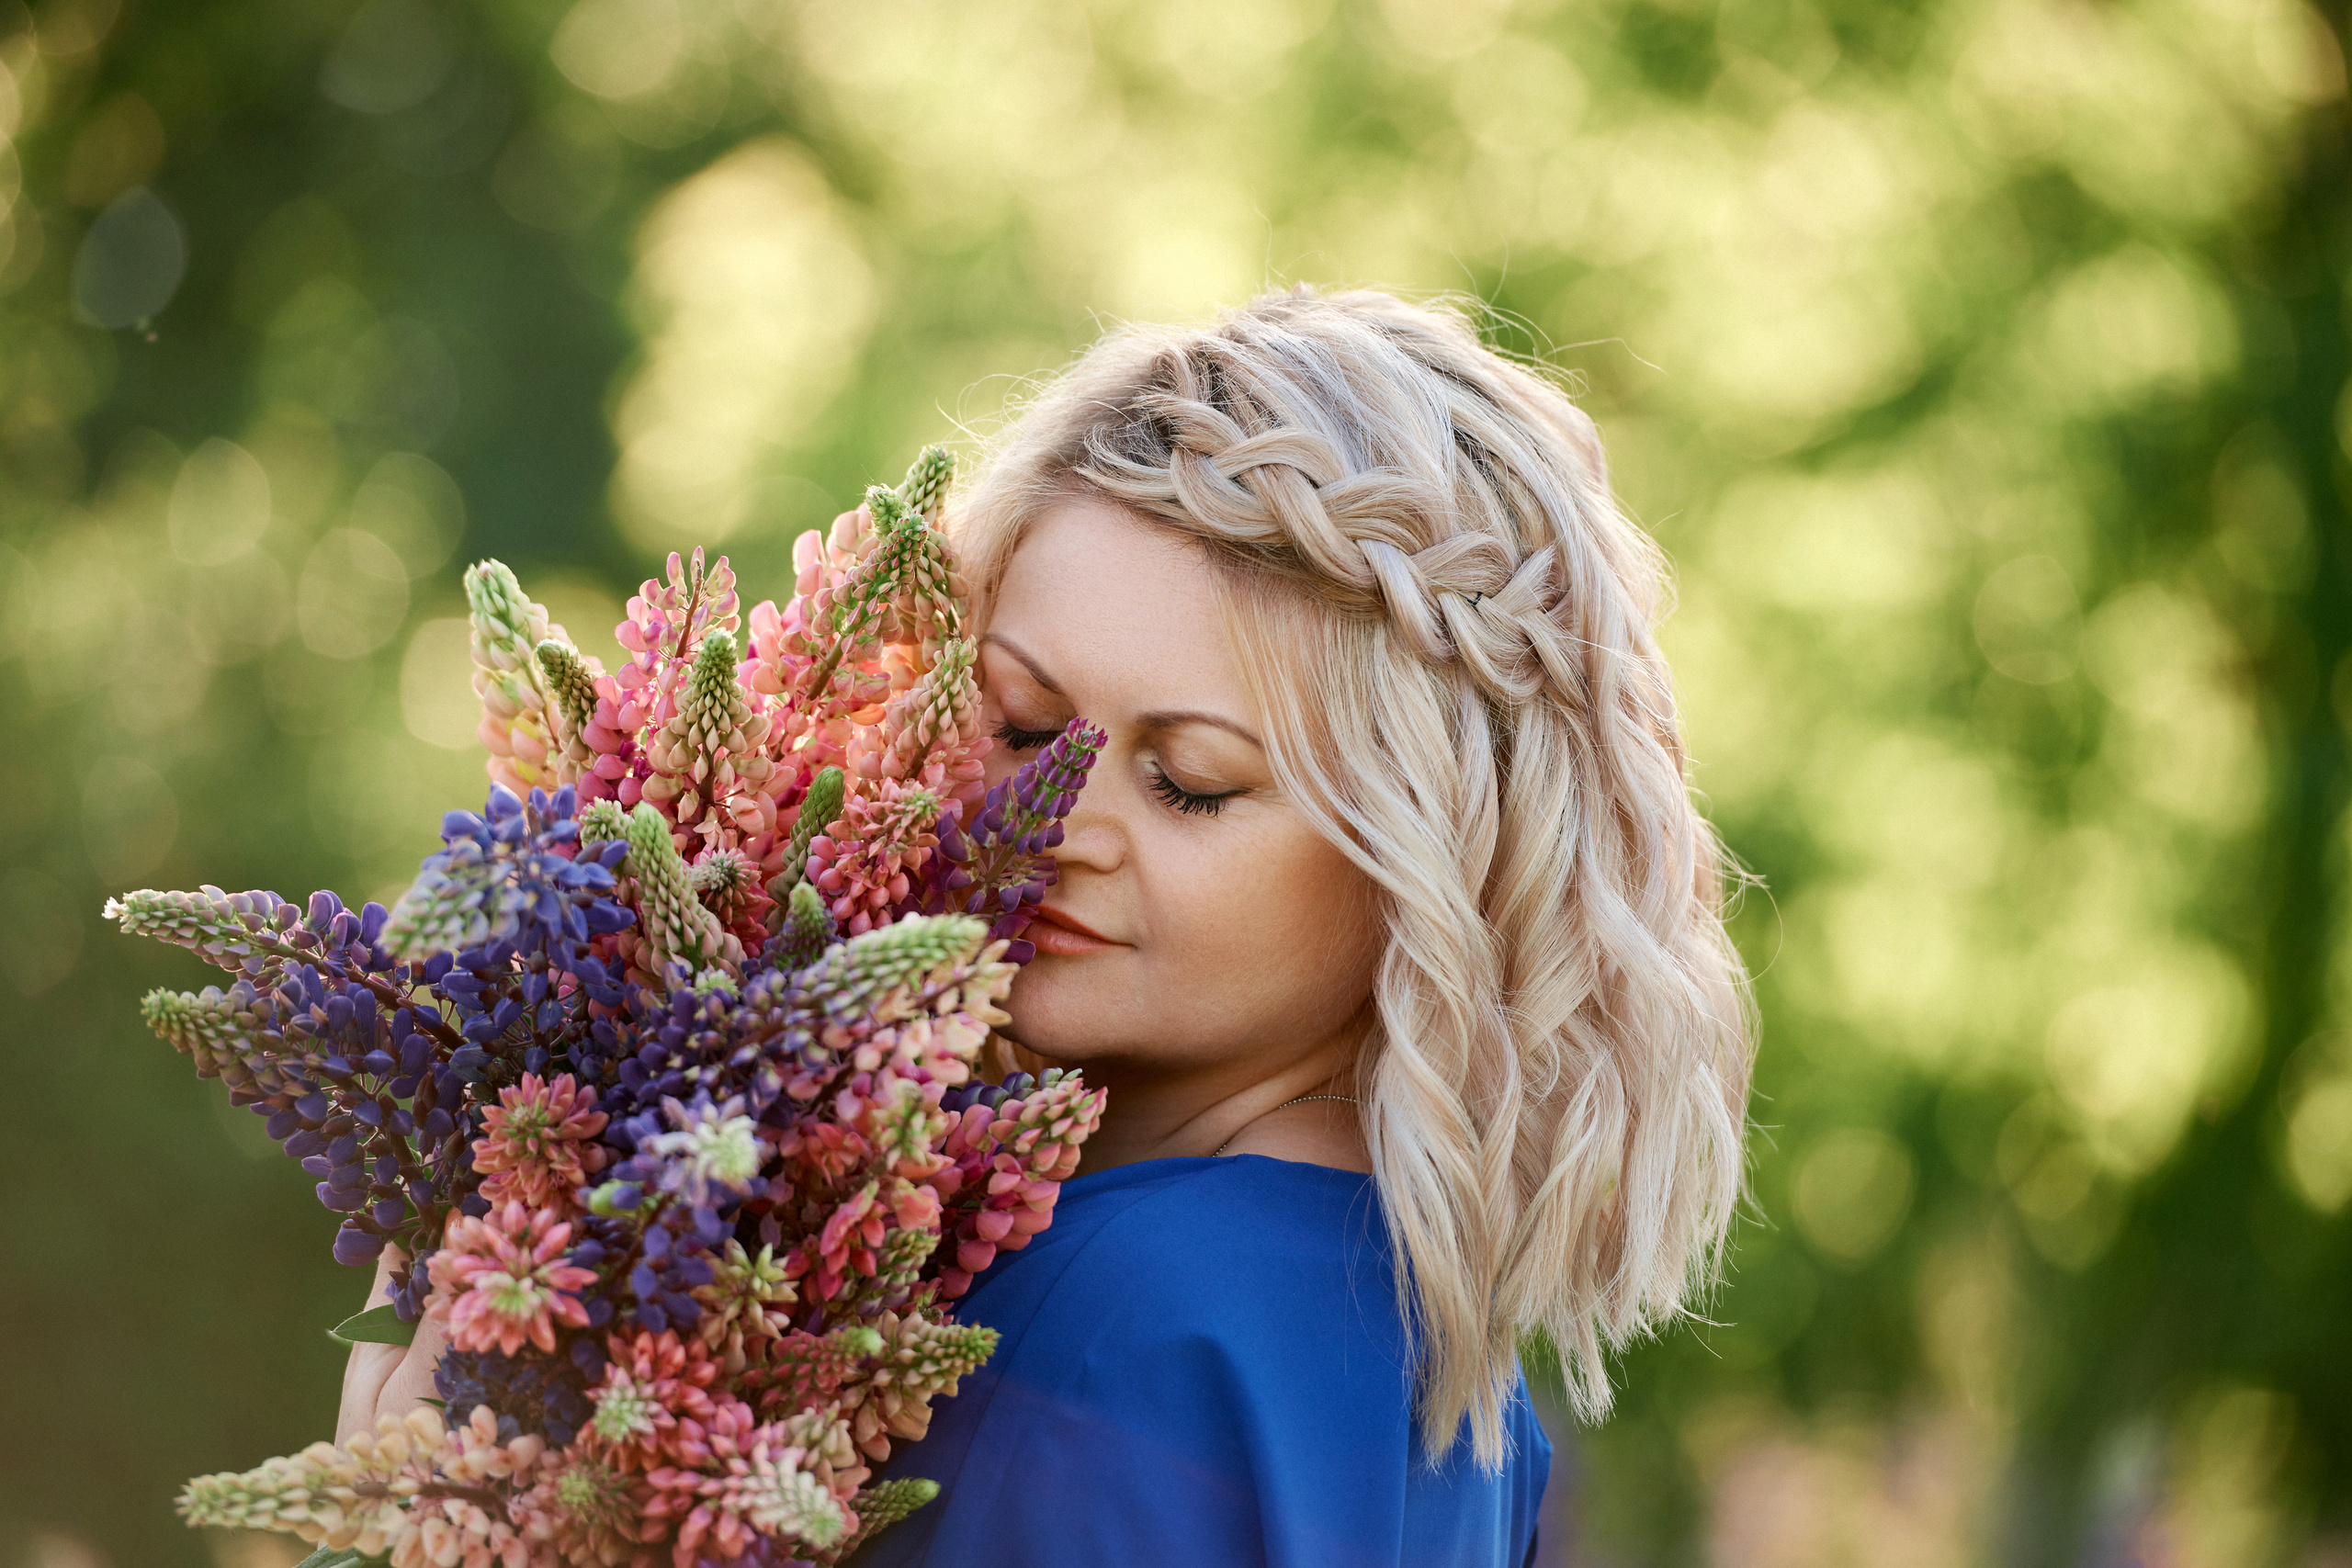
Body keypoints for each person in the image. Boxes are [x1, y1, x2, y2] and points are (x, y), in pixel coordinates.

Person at [340, 285, 1755, 1567]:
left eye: (1188, 782)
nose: (1059, 822)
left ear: (1422, 856)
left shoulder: (1116, 1324)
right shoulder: (1430, 1352)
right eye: (1020, 724)